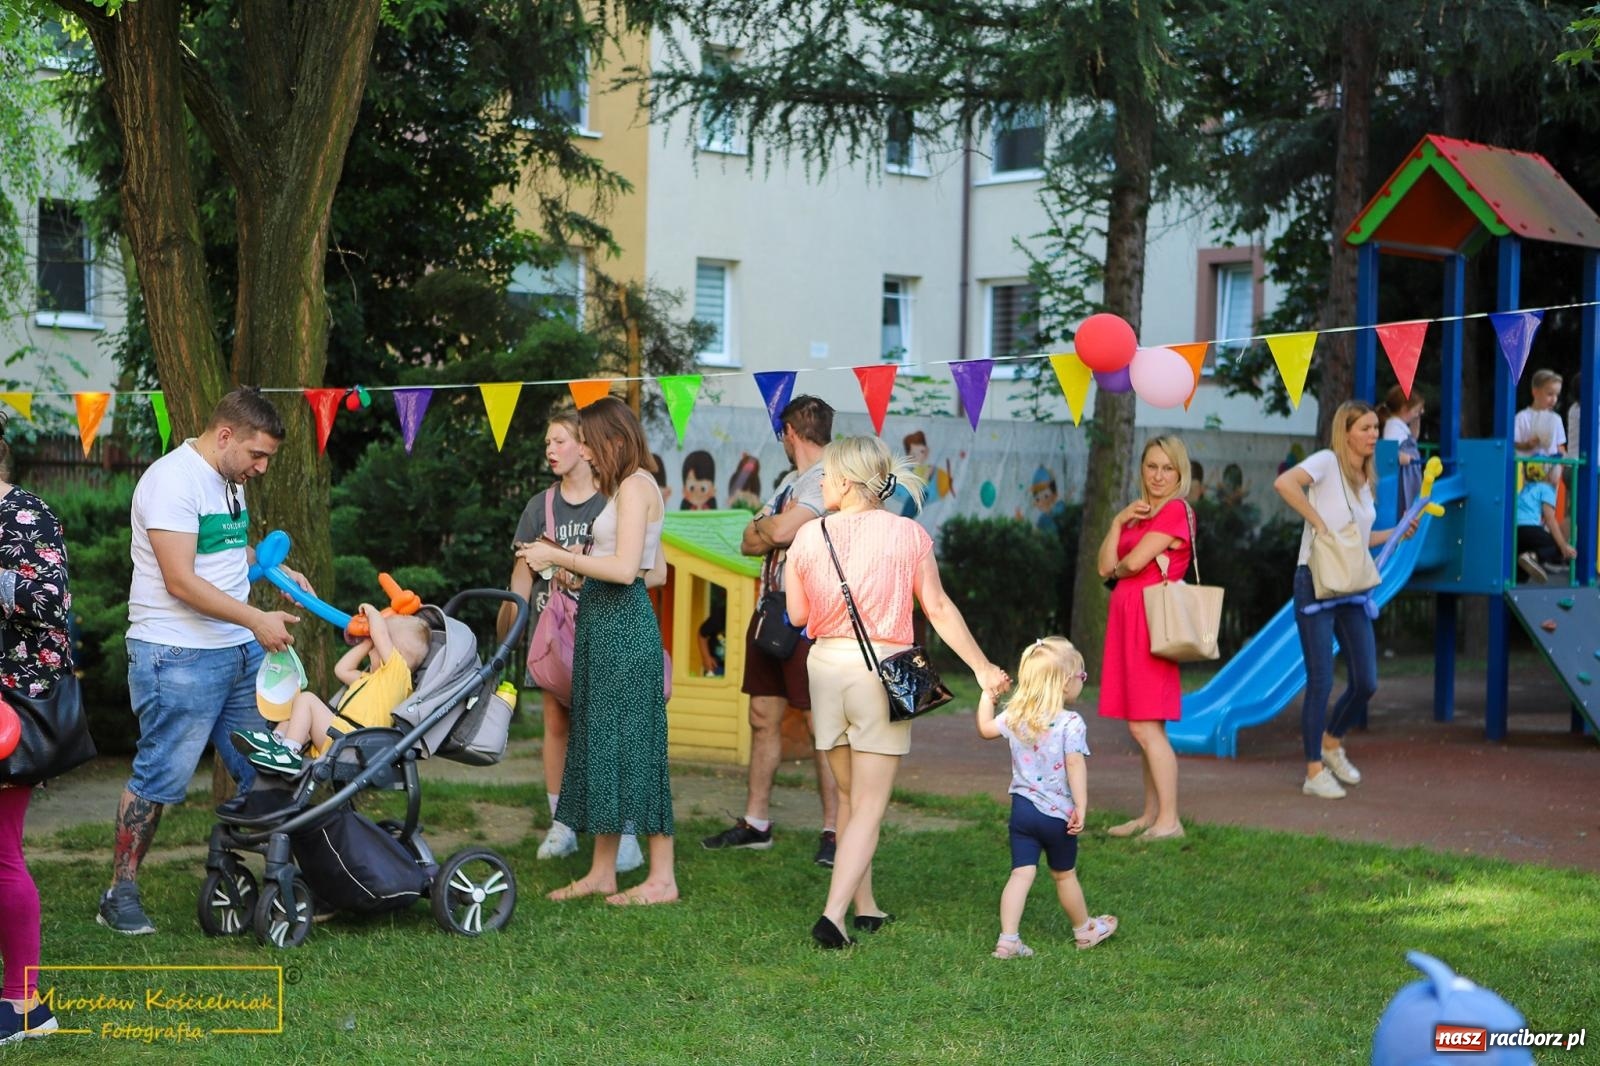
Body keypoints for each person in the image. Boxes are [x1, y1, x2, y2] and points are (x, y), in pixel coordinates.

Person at [785, 436, 1010, 949]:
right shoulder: (907, 534)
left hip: (824, 669)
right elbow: (938, 607)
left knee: (849, 797)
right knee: (868, 804)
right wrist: (980, 666)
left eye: (826, 474)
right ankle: (834, 915)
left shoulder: (807, 535)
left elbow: (798, 615)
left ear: (845, 481)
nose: (819, 482)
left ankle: (865, 905)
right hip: (882, 669)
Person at [101, 388, 310, 935]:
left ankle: (280, 879)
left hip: (234, 654)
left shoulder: (227, 479)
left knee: (262, 766)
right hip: (176, 656)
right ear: (224, 436)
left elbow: (226, 551)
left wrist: (279, 577)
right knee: (159, 777)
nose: (261, 468)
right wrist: (254, 619)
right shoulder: (172, 481)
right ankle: (119, 893)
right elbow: (180, 580)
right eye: (256, 455)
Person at [518, 397, 675, 905]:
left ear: (613, 438)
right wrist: (581, 566)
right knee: (601, 746)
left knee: (636, 749)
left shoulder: (634, 486)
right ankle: (602, 871)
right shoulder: (624, 488)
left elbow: (630, 571)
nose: (583, 449)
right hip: (604, 622)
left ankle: (661, 879)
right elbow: (648, 568)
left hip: (624, 629)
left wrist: (559, 556)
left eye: (587, 440)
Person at [497, 411, 639, 871]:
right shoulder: (540, 506)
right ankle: (562, 824)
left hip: (602, 628)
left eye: (559, 440)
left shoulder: (614, 500)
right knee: (556, 722)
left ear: (585, 446)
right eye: (546, 443)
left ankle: (622, 829)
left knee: (605, 729)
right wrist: (510, 629)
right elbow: (520, 577)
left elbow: (637, 568)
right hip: (553, 633)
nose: (550, 450)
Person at [702, 395, 840, 865]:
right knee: (763, 717)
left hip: (812, 618)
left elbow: (776, 535)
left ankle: (834, 832)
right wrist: (770, 524)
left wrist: (770, 526)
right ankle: (756, 823)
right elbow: (748, 541)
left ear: (790, 433)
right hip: (770, 614)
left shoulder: (829, 479)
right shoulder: (788, 483)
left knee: (822, 725)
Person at [1274, 401, 1416, 801]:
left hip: (1351, 584)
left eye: (1375, 428)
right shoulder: (1325, 462)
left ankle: (1332, 742)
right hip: (1315, 580)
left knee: (1366, 680)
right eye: (1366, 428)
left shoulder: (1364, 478)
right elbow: (1284, 484)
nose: (1374, 434)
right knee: (1321, 678)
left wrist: (1395, 532)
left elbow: (1357, 538)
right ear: (1347, 431)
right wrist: (1317, 522)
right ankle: (1313, 771)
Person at [975, 637, 1117, 959]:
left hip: (1022, 812)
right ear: (1065, 683)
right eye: (1081, 676)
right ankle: (1085, 931)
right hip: (1057, 815)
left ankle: (1008, 939)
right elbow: (1074, 763)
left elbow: (984, 728)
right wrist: (1080, 805)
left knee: (1021, 874)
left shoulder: (1016, 717)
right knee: (1064, 874)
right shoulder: (1070, 723)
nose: (1083, 681)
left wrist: (988, 695)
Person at [0, 414, 71, 1042]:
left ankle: (24, 1005)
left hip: (7, 711)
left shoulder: (26, 515)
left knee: (2, 854)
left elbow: (51, 602)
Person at [1095, 435, 1193, 841]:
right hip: (1130, 621)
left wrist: (1121, 568)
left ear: (1179, 473)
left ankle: (1170, 821)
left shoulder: (1175, 510)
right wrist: (1117, 523)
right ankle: (1152, 814)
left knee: (1144, 727)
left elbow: (1132, 563)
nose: (1158, 475)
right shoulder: (1137, 514)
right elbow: (1104, 567)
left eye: (1167, 468)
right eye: (1151, 466)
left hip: (1150, 623)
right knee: (1147, 726)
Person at [232, 604, 431, 775]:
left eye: (378, 642)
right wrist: (368, 643)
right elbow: (341, 670)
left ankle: (288, 752)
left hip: (354, 743)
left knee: (307, 700)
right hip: (341, 736)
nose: (373, 644)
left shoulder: (398, 675)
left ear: (395, 651)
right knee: (299, 706)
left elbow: (380, 633)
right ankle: (276, 740)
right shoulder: (371, 680)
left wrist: (372, 612)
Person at [1514, 463, 1575, 583]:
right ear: (1550, 475)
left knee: (1521, 570)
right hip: (1530, 529)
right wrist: (1563, 546)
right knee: (1555, 546)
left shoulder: (1525, 489)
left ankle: (1519, 577)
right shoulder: (1546, 489)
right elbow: (1550, 519)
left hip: (1516, 531)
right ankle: (1532, 557)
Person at [1377, 385, 1425, 514]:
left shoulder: (1401, 425)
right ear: (1405, 409)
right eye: (1416, 410)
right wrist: (1399, 456)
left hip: (1409, 474)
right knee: (1405, 505)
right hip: (1402, 477)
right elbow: (1388, 451)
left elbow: (1413, 438)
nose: (1418, 412)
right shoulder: (1393, 426)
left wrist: (1417, 417)